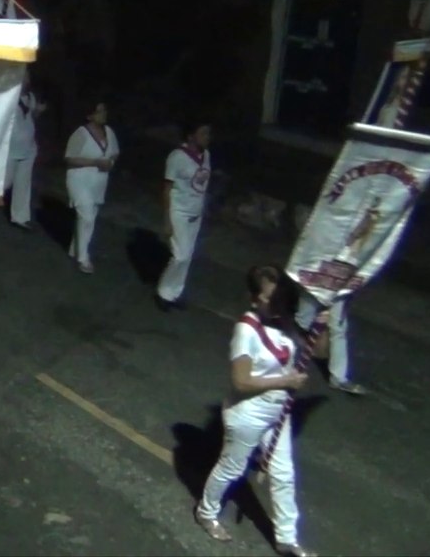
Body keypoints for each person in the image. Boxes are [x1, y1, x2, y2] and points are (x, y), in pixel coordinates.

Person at [195, 265, 327, 557]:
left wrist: (323, 324)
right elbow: (240, 381)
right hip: (248, 413)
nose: (277, 303)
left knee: (284, 474)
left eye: (280, 296)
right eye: (270, 298)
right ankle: (206, 512)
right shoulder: (246, 329)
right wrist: (286, 380)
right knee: (233, 468)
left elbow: (318, 353)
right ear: (255, 299)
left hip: (278, 414)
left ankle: (286, 539)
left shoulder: (285, 322)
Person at [156, 118, 213, 311]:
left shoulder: (206, 156)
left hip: (195, 213)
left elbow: (202, 186)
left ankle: (175, 293)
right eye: (203, 133)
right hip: (179, 212)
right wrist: (167, 219)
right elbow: (167, 188)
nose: (207, 137)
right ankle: (163, 293)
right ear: (191, 136)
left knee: (188, 255)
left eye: (208, 133)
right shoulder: (177, 157)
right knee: (180, 255)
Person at [64, 100, 119, 274]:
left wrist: (110, 163)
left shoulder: (109, 132)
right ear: (89, 115)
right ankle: (83, 258)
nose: (103, 114)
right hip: (79, 180)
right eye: (99, 111)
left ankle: (76, 249)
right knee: (86, 216)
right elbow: (69, 158)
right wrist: (94, 162)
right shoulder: (81, 133)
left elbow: (114, 153)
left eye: (104, 110)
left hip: (98, 182)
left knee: (90, 217)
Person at [295, 295, 367, 395]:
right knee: (303, 321)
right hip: (314, 285)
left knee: (338, 328)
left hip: (342, 286)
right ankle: (288, 362)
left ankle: (338, 378)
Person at [4, 72, 45, 228]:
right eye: (23, 77)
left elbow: (31, 116)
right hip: (11, 147)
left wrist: (38, 111)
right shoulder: (8, 98)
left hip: (28, 147)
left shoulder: (31, 97)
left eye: (27, 78)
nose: (26, 81)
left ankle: (20, 217)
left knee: (23, 183)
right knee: (6, 181)